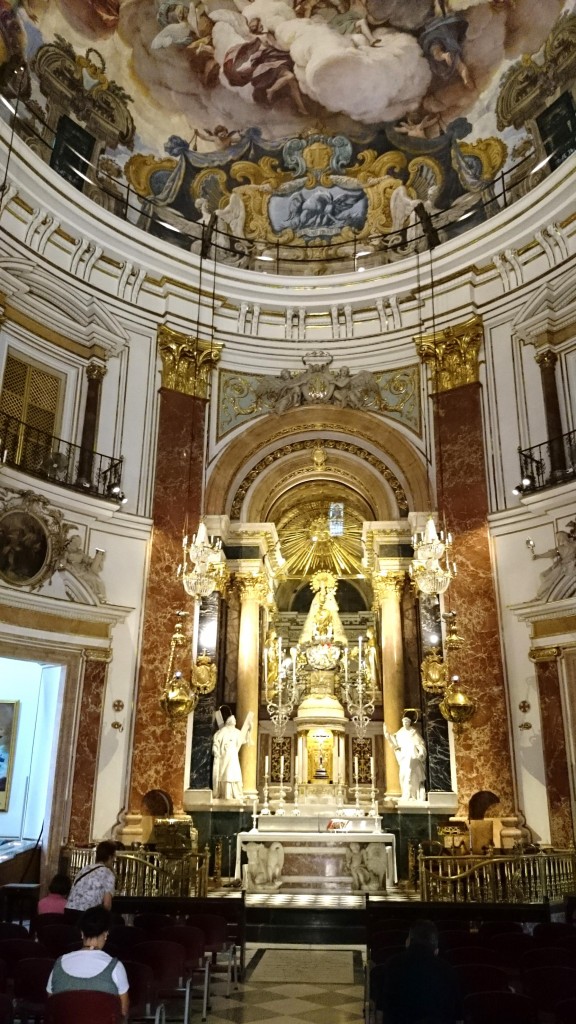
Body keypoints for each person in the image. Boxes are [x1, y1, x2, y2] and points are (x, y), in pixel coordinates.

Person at [371, 918, 463, 1024]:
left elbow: (379, 1013)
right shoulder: (448, 971)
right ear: (436, 950)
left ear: (408, 942)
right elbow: (458, 1018)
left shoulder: (391, 965)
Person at [47, 905, 129, 1015]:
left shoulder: (59, 964)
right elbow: (123, 1010)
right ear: (106, 934)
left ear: (81, 933)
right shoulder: (116, 967)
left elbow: (51, 1004)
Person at [65, 840, 116, 921]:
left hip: (69, 910)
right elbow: (107, 904)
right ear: (110, 857)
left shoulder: (85, 869)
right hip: (87, 914)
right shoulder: (108, 873)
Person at [384, 712, 427, 801]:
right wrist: (388, 737)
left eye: (407, 722)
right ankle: (405, 794)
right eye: (404, 722)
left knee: (411, 776)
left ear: (410, 722)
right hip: (404, 757)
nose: (405, 724)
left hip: (412, 757)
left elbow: (420, 743)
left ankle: (413, 795)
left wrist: (421, 751)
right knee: (403, 775)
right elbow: (395, 745)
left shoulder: (413, 732)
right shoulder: (400, 733)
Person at [212, 711, 254, 800]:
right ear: (228, 722)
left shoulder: (237, 732)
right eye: (232, 720)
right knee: (225, 773)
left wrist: (250, 728)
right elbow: (216, 742)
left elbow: (245, 739)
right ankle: (226, 793)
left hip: (233, 755)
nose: (234, 721)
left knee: (234, 772)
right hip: (224, 756)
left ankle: (235, 792)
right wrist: (216, 751)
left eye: (234, 720)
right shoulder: (222, 731)